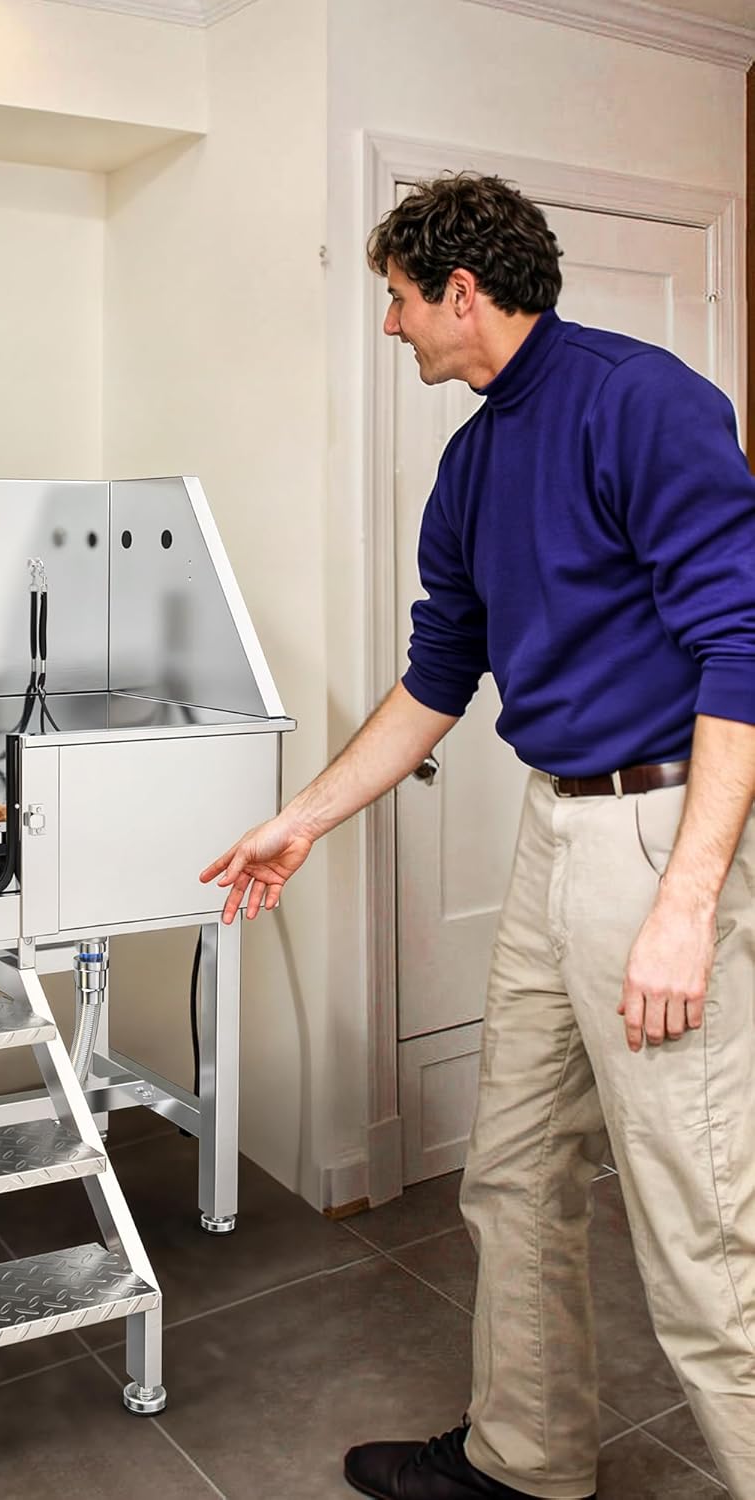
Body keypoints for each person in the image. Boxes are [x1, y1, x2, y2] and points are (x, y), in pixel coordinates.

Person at [201, 174, 755, 1500]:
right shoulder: (474, 461)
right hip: (557, 829)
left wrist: (686, 905)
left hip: (664, 827)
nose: (390, 325)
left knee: (701, 1226)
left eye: (399, 298)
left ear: (462, 291)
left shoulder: (641, 402)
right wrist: (299, 823)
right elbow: (439, 676)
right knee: (511, 1173)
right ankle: (528, 1458)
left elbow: (745, 648)